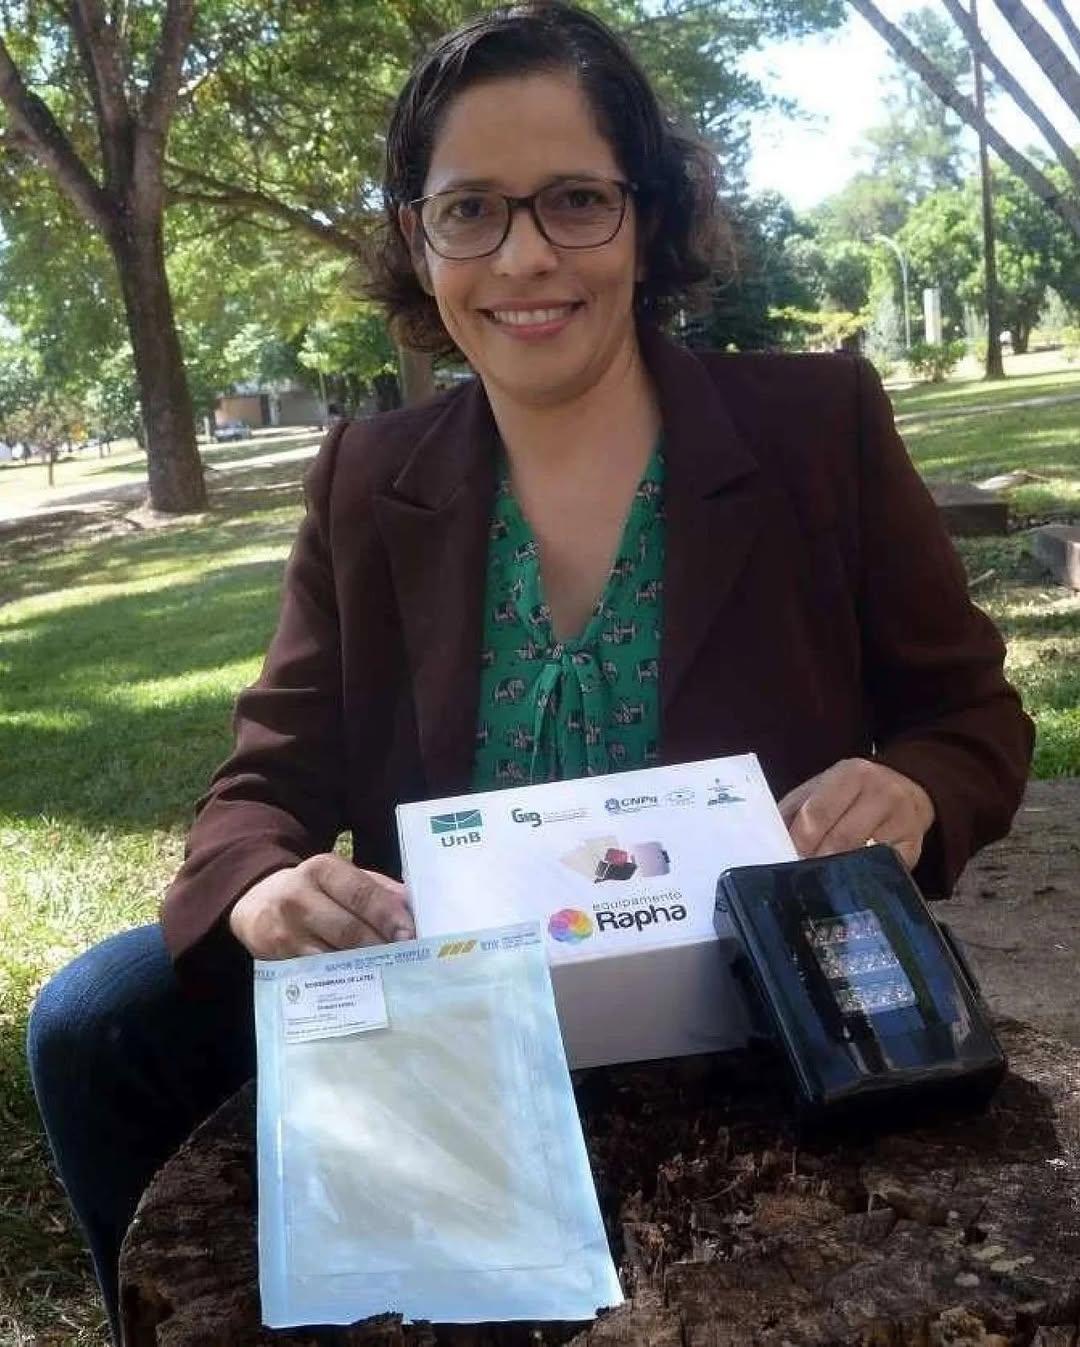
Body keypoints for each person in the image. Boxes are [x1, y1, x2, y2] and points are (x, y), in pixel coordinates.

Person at [27, 3, 1033, 1340]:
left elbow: (969, 716)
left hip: (754, 1009)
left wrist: (913, 790)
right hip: (457, 1018)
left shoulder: (814, 426)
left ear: (647, 217)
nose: (524, 257)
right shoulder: (368, 480)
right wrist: (264, 883)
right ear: (417, 237)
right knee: (97, 1020)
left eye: (575, 200)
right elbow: (266, 779)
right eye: (471, 211)